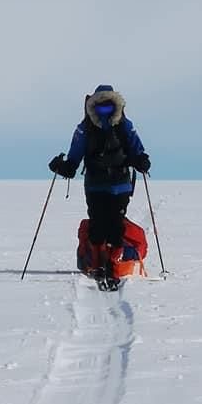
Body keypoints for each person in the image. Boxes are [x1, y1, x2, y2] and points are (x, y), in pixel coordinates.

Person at [49, 85, 150, 270]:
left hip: (113, 186)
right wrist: (62, 167)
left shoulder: (120, 126)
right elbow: (73, 160)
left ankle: (107, 263)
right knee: (100, 225)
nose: (104, 110)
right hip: (104, 186)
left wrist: (141, 160)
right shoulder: (87, 128)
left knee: (114, 226)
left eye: (107, 106)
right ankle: (102, 263)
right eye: (100, 106)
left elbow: (137, 150)